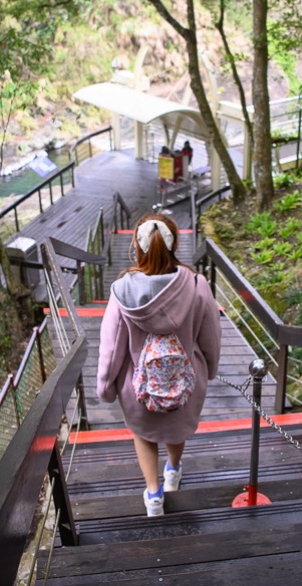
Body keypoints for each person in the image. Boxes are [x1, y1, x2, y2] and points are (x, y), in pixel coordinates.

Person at [97, 214, 222, 517]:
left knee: (144, 435)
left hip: (138, 389)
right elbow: (211, 337)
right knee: (175, 431)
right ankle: (174, 472)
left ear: (137, 248)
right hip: (185, 385)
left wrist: (105, 388)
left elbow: (111, 347)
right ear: (174, 243)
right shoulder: (196, 285)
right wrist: (212, 368)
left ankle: (154, 496)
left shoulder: (122, 292)